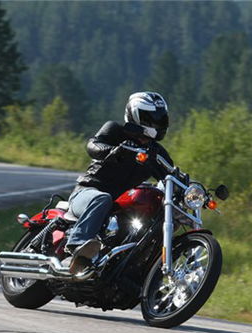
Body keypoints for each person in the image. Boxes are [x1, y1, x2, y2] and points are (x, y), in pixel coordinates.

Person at [63, 92, 174, 274]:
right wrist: (111, 151)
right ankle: (77, 244)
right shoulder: (116, 131)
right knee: (102, 199)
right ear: (136, 115)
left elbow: (171, 173)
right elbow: (93, 145)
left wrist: (190, 187)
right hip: (88, 192)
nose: (157, 123)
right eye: (151, 118)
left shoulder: (156, 152)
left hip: (118, 206)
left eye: (160, 118)